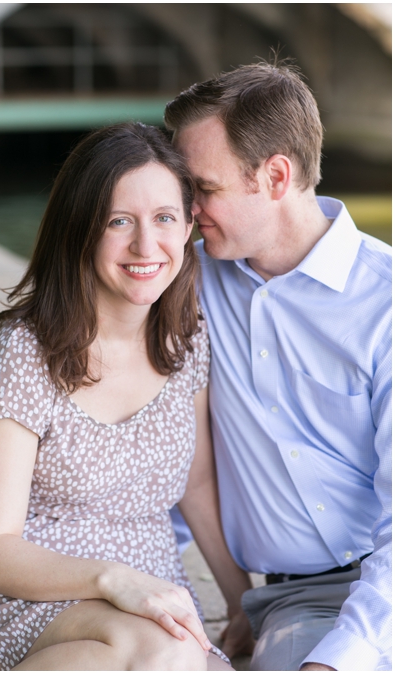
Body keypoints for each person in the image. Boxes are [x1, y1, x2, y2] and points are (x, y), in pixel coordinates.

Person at [0, 122, 255, 671]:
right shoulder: (25, 351)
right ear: (80, 229)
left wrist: (241, 603)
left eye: (163, 218)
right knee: (166, 654)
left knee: (178, 655)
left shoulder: (186, 338)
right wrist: (114, 579)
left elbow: (199, 482)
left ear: (188, 226)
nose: (145, 245)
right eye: (118, 221)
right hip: (29, 592)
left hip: (151, 596)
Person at [164, 60, 392, 671]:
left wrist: (340, 659)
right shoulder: (181, 280)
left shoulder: (386, 303)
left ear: (275, 175)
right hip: (300, 600)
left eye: (202, 190)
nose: (187, 212)